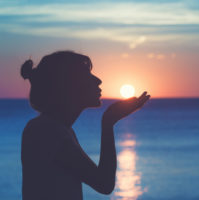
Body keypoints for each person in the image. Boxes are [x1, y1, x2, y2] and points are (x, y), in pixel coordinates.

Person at [20, 51, 150, 200]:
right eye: (87, 75)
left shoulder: (58, 129)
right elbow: (104, 183)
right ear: (68, 85)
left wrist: (109, 121)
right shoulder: (46, 131)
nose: (98, 80)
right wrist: (108, 122)